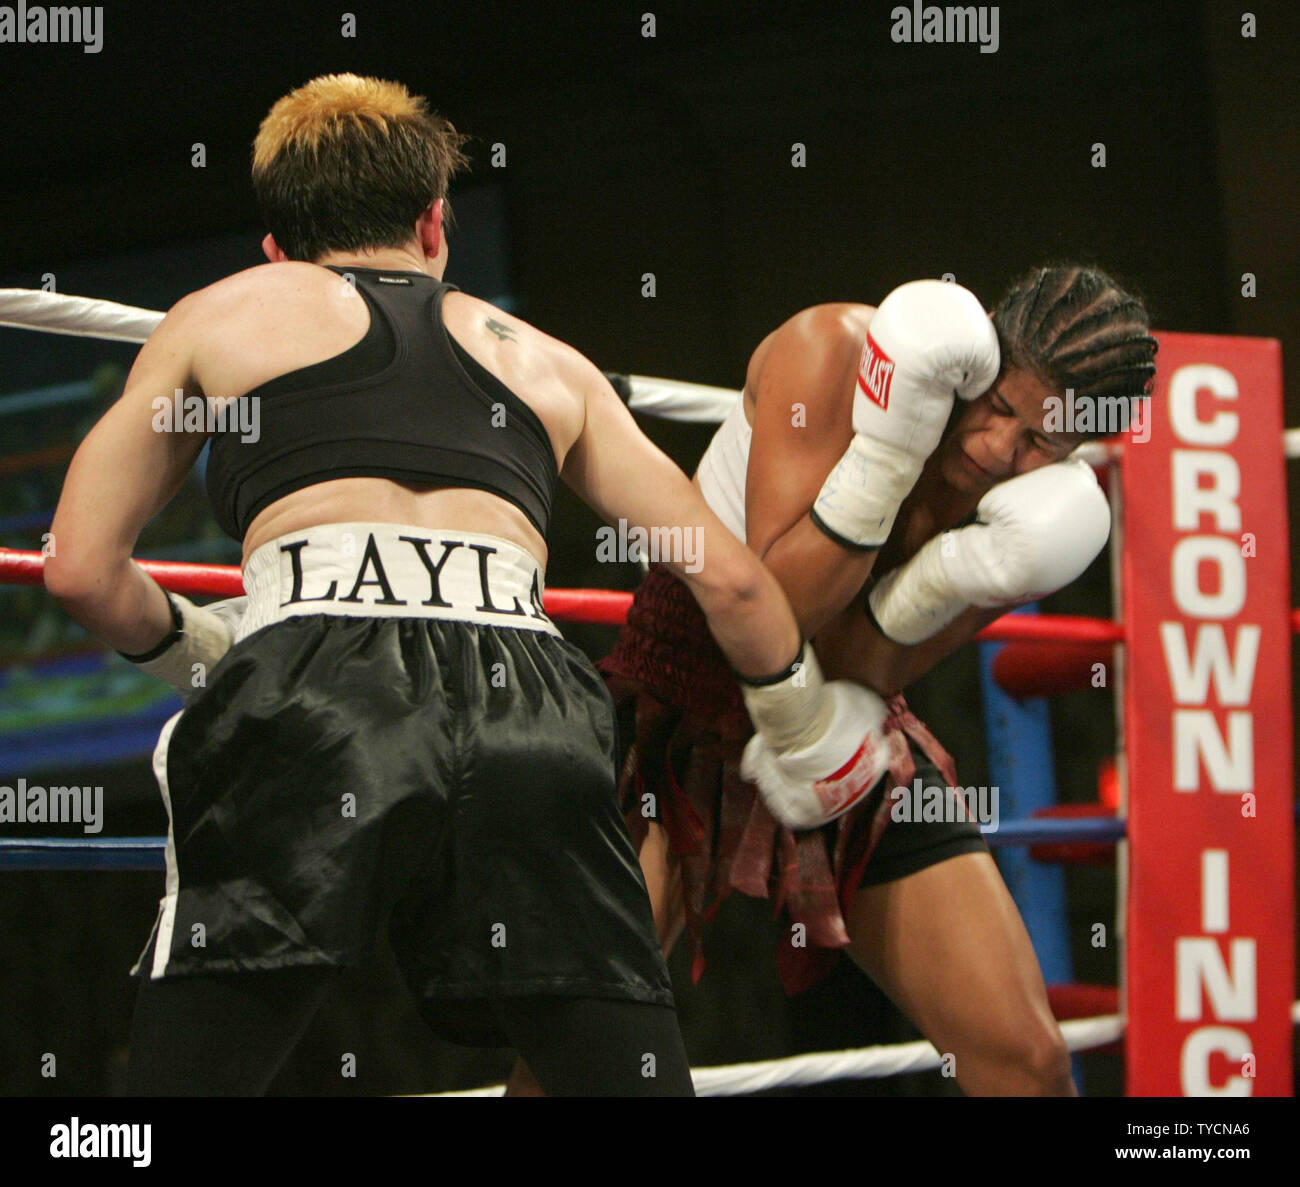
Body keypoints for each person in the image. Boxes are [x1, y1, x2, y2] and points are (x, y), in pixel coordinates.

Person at [43, 73, 891, 1097]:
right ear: (435, 222)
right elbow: (736, 588)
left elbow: (82, 567)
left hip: (311, 698)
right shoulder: (546, 361)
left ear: (275, 245)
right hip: (528, 702)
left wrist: (199, 647)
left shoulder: (222, 315)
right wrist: (804, 727)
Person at [509, 264, 1158, 1096]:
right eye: (1000, 408)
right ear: (980, 355)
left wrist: (956, 574)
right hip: (685, 693)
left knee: (1025, 1063)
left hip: (838, 721)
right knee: (575, 1061)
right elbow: (774, 610)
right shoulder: (834, 355)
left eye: (1041, 442)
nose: (1002, 449)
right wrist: (887, 456)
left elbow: (864, 664)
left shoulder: (1035, 508)